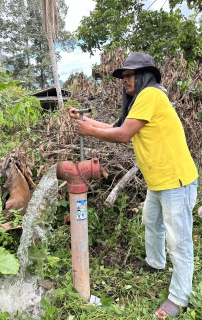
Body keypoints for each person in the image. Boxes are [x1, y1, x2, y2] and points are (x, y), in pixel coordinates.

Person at [68, 52, 198, 319]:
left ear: (143, 76)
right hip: (158, 180)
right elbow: (114, 126)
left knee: (179, 240)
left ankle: (180, 297)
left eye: (129, 75)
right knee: (151, 221)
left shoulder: (151, 94)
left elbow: (123, 136)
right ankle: (155, 262)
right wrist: (83, 121)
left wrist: (89, 132)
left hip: (175, 180)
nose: (125, 81)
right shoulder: (141, 101)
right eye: (124, 76)